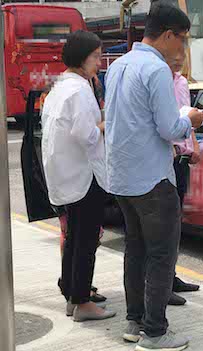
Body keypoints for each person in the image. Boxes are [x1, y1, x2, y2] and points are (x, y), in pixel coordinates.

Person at [104, 2, 203, 350]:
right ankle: (156, 332)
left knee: (136, 250)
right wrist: (190, 121)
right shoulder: (157, 70)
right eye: (184, 41)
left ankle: (134, 322)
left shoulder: (117, 66)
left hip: (122, 178)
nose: (184, 49)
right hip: (152, 180)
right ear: (167, 35)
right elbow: (168, 128)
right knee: (162, 254)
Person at [41, 30, 116, 322]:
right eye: (96, 57)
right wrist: (106, 121)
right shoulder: (80, 90)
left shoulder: (59, 87)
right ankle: (83, 302)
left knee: (73, 238)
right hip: (85, 177)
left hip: (64, 176)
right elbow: (86, 135)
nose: (99, 63)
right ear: (82, 58)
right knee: (86, 241)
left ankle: (72, 296)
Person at [169, 53, 201, 307]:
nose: (179, 59)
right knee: (164, 224)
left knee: (176, 219)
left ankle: (171, 275)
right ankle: (161, 283)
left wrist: (194, 145)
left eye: (182, 56)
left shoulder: (182, 83)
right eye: (175, 55)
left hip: (183, 157)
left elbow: (188, 119)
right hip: (166, 158)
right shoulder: (159, 80)